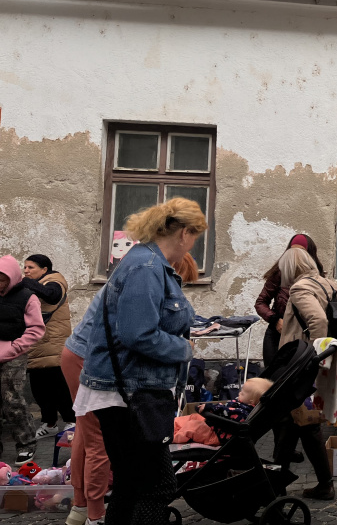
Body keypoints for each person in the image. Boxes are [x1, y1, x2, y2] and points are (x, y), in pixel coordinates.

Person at [77, 197, 206, 525]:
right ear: (183, 233)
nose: (192, 245)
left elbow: (158, 320)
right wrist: (184, 349)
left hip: (127, 391)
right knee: (157, 486)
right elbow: (139, 334)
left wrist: (208, 325)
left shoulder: (147, 263)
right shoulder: (146, 267)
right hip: (129, 393)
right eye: (194, 237)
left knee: (130, 484)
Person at [274, 245, 337, 501]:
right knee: (297, 422)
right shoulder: (329, 284)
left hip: (297, 364)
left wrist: (312, 359)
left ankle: (280, 482)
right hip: (310, 366)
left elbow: (319, 321)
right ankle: (319, 483)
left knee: (294, 421)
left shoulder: (300, 288)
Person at [20, 254, 75, 439]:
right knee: (39, 389)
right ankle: (49, 423)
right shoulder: (33, 285)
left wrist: (25, 282)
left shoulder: (54, 281)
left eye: (31, 267)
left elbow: (52, 296)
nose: (26, 271)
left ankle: (71, 422)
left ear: (44, 269)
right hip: (36, 346)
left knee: (60, 386)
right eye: (25, 267)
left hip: (53, 345)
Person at [0, 255, 45, 465]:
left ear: (12, 278)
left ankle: (26, 444)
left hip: (14, 356)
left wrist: (14, 348)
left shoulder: (27, 297)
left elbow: (36, 330)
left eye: (2, 279)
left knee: (13, 400)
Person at [255, 234, 324, 367]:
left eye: (300, 252)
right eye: (292, 251)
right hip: (278, 331)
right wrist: (275, 320)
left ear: (308, 254)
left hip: (303, 331)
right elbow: (261, 303)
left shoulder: (317, 277)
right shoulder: (279, 272)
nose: (295, 255)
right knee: (272, 376)